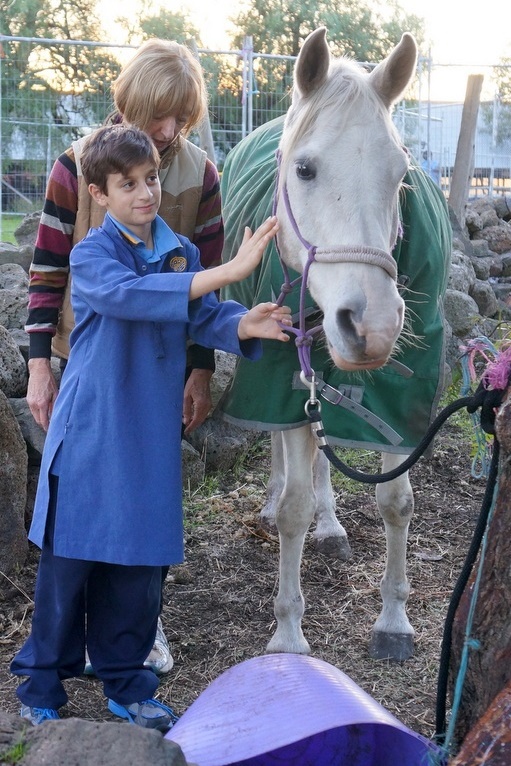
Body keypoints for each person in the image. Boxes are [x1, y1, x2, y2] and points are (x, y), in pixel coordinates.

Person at [11, 124, 292, 728]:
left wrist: (246, 325)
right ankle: (41, 690)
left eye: (152, 180)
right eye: (127, 184)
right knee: (70, 566)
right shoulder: (90, 254)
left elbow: (203, 316)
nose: (145, 193)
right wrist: (229, 270)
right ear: (98, 193)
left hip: (148, 433)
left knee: (140, 567)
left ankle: (127, 683)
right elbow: (131, 296)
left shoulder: (180, 253)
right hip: (92, 428)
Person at [25, 38, 224, 674]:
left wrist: (201, 369)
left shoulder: (201, 176)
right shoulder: (74, 165)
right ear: (127, 102)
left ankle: (138, 630)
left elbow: (209, 277)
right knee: (85, 493)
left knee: (146, 494)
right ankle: (67, 639)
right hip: (88, 361)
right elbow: (49, 264)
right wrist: (37, 365)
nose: (166, 132)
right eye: (155, 115)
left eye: (179, 118)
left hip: (160, 366)